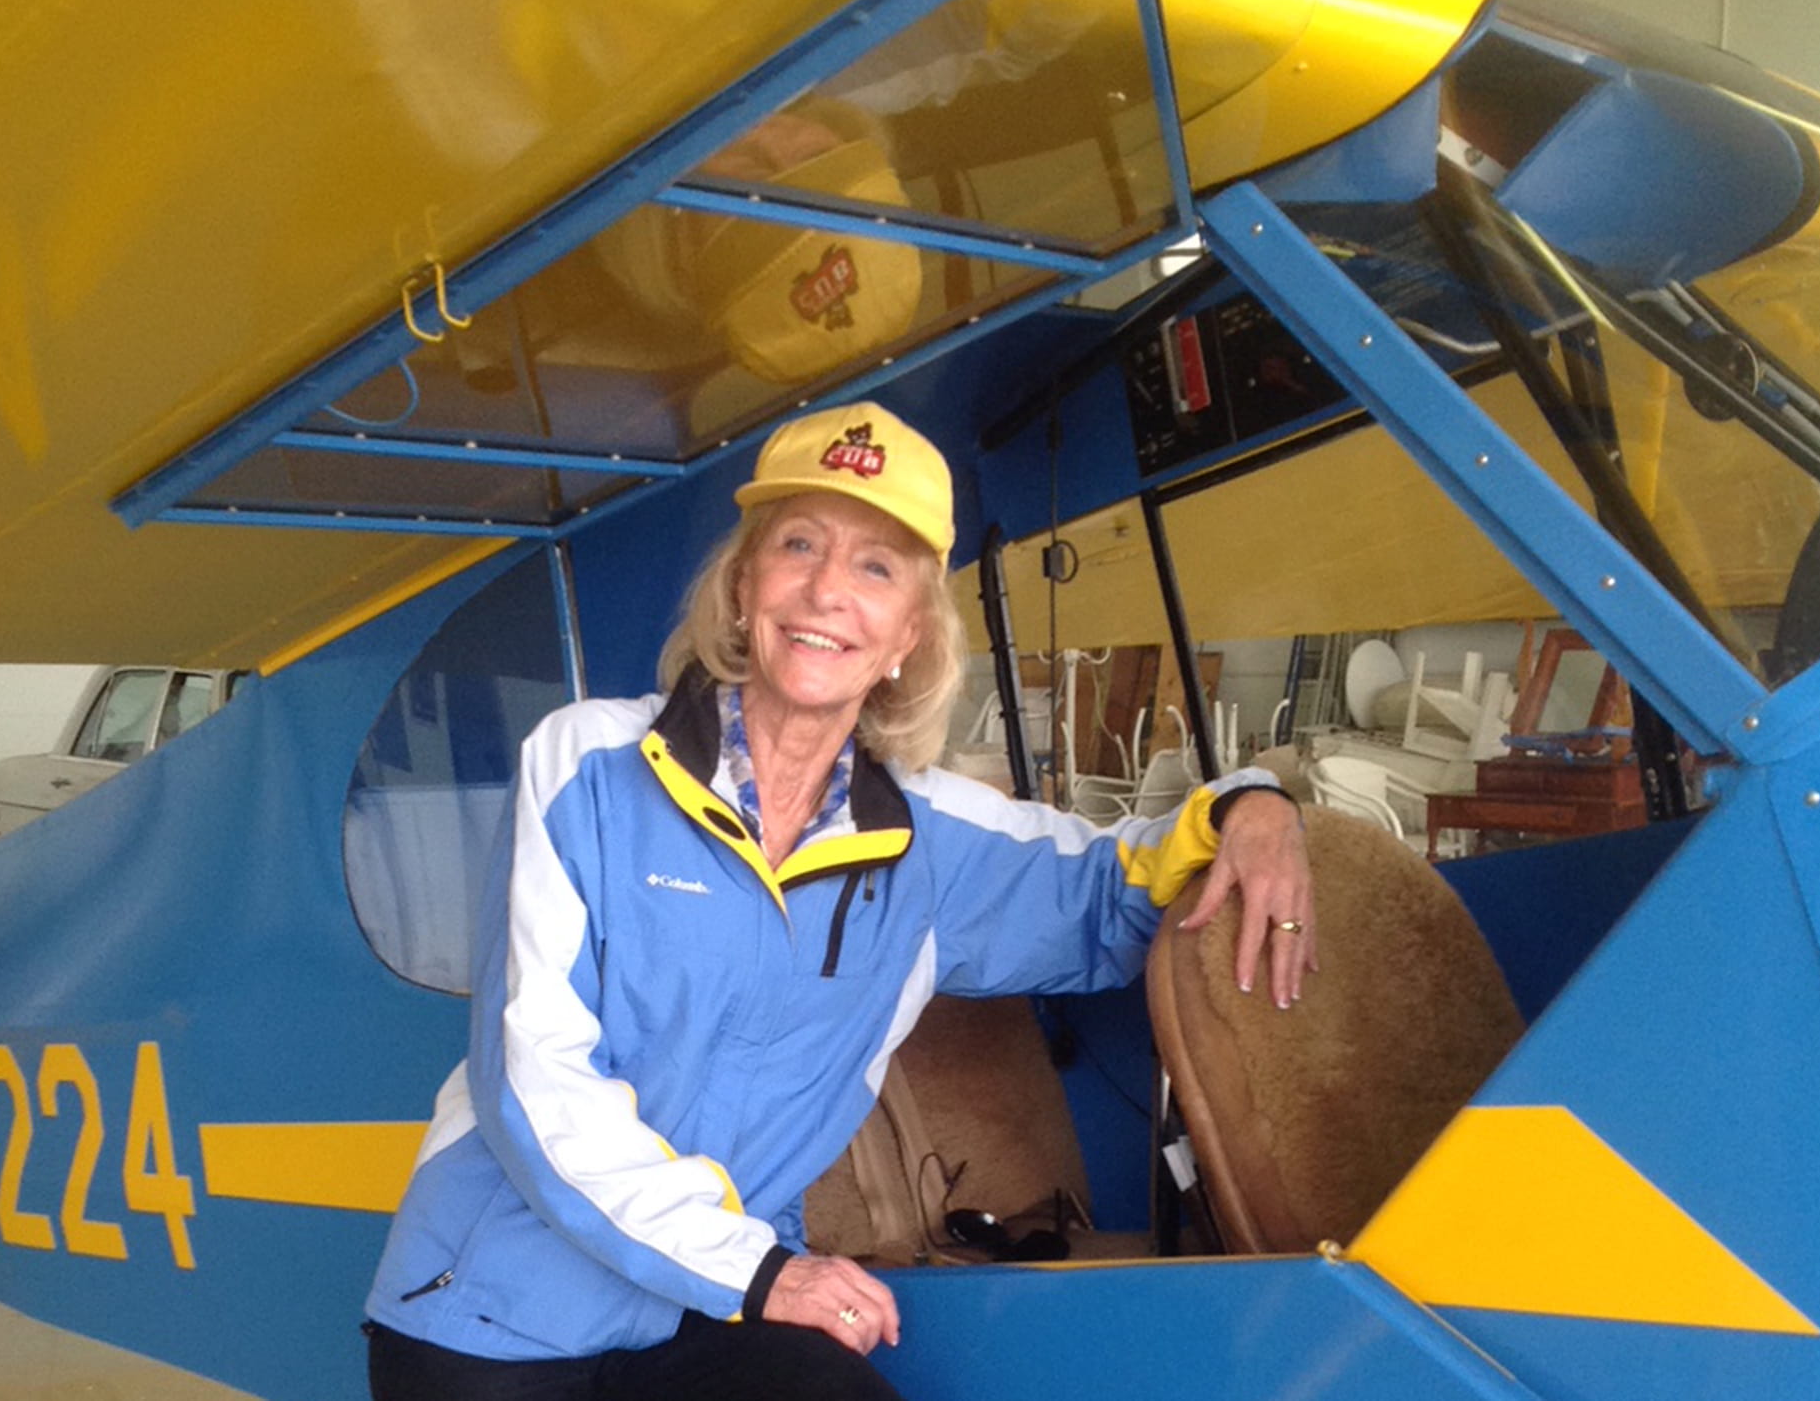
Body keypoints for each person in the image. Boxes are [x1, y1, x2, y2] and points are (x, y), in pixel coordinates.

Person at [362, 401, 1314, 1400]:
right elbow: (534, 1078)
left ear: (909, 631)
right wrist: (760, 1272)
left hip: (705, 1316)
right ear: (741, 589)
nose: (826, 589)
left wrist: (1249, 804)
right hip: (495, 1313)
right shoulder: (584, 763)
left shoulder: (932, 843)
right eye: (798, 545)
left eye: (876, 568)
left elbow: (1125, 889)